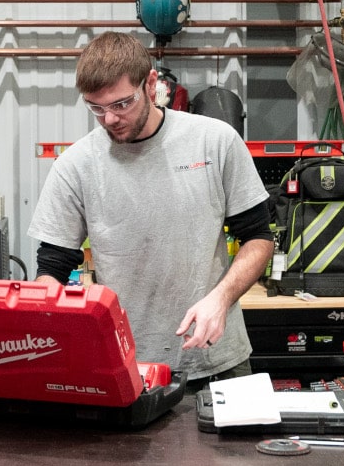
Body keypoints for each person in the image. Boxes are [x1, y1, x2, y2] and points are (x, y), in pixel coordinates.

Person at [29, 32, 275, 388]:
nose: (110, 119)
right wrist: (47, 312)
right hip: (127, 366)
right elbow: (51, 266)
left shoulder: (214, 141)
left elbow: (258, 238)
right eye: (96, 108)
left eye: (121, 104)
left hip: (216, 359)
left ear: (151, 83)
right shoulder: (76, 165)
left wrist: (221, 299)